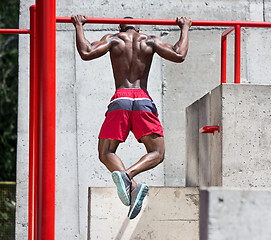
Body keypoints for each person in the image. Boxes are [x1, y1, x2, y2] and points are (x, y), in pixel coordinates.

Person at [71, 15, 192, 219]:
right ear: (139, 27)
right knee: (157, 153)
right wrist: (185, 27)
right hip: (143, 101)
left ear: (120, 26)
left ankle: (127, 178)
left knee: (105, 152)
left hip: (120, 100)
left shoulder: (113, 39)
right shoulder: (150, 40)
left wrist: (78, 25)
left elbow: (86, 52)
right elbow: (179, 54)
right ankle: (131, 181)